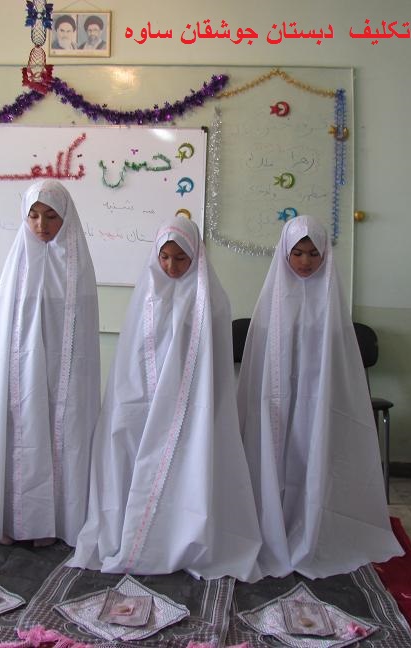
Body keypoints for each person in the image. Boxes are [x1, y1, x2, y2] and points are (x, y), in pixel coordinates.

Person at [68, 215, 262, 581]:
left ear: (196, 257)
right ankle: (130, 529)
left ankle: (178, 534)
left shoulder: (212, 301)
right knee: (127, 447)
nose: (171, 266)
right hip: (143, 397)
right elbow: (132, 357)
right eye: (165, 257)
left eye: (181, 258)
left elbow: (212, 367)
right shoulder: (146, 295)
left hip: (190, 404)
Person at [236, 215, 403, 579]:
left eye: (314, 253)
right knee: (278, 454)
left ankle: (311, 521)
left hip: (318, 402)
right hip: (279, 402)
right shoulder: (272, 302)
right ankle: (273, 520)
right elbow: (262, 364)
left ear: (325, 254)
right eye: (298, 253)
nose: (305, 261)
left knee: (312, 452)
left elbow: (338, 365)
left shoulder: (331, 302)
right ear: (285, 253)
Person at [0, 179, 100, 547]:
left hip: (61, 376)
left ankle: (53, 522)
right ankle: (8, 518)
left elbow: (80, 337)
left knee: (58, 434)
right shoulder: (17, 262)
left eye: (51, 216)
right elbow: (6, 328)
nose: (41, 225)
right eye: (33, 216)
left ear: (65, 217)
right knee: (16, 433)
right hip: (20, 371)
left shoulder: (78, 268)